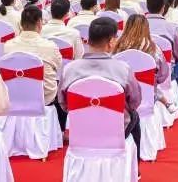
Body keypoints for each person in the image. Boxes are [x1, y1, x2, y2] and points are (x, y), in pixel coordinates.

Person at [59, 17, 142, 151]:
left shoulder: (69, 69)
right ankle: (135, 170)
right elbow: (135, 102)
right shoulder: (123, 69)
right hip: (115, 131)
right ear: (111, 41)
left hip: (81, 128)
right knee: (135, 117)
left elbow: (63, 104)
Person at [5, 5, 62, 125]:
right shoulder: (50, 46)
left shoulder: (8, 45)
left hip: (15, 95)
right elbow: (58, 68)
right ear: (40, 23)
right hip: (43, 98)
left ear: (20, 24)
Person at [115, 14, 175, 113]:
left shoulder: (117, 46)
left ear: (127, 27)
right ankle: (167, 102)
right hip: (148, 93)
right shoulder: (153, 48)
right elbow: (162, 76)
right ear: (146, 28)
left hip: (123, 93)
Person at [145, 0, 178, 115]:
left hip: (143, 73)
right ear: (163, 8)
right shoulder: (172, 28)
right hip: (166, 73)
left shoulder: (138, 27)